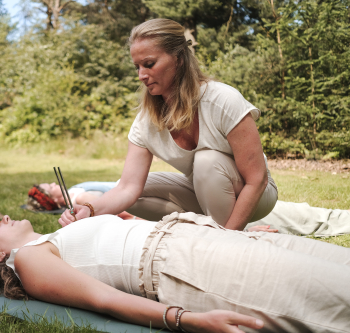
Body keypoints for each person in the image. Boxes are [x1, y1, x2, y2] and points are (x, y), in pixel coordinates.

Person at [0, 214, 350, 332]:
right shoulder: (28, 260)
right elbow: (102, 299)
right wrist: (186, 319)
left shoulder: (54, 236)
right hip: (189, 266)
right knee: (336, 298)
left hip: (206, 238)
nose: (2, 218)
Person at [60, 19, 278, 230]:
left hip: (258, 193)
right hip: (204, 194)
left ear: (178, 58)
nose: (141, 76)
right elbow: (127, 188)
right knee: (134, 189)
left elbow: (256, 179)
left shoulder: (222, 100)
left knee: (206, 160)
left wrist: (229, 239)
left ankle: (225, 237)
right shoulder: (146, 121)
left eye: (149, 64)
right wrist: (89, 208)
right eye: (137, 67)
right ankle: (215, 229)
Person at [30, 175, 350, 236]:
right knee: (292, 216)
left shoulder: (78, 192)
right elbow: (128, 213)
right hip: (176, 209)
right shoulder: (81, 198)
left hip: (173, 199)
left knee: (294, 214)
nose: (54, 185)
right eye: (49, 189)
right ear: (55, 200)